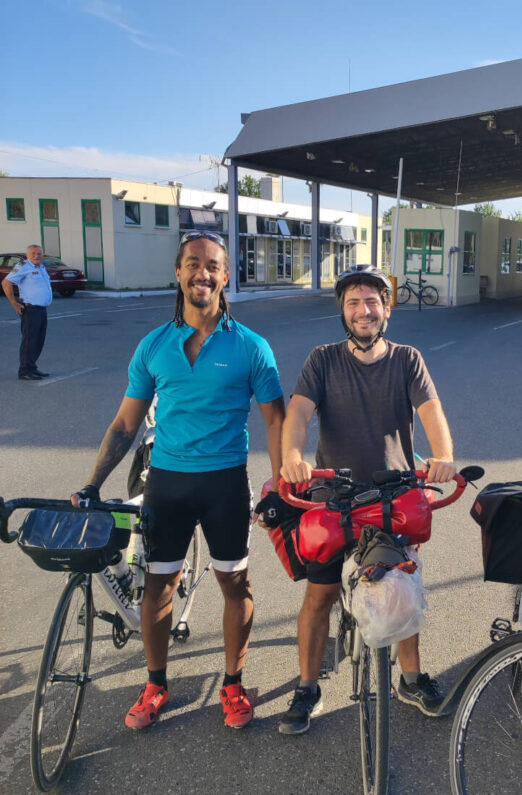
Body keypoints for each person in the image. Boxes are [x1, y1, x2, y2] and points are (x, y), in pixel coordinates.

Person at [71, 231, 285, 730]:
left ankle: (232, 684)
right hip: (166, 482)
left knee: (235, 583)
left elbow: (275, 420)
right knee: (158, 586)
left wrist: (280, 486)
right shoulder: (154, 346)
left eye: (212, 265)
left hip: (224, 484)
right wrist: (92, 482)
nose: (202, 273)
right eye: (193, 263)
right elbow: (126, 423)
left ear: (226, 276)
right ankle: (155, 684)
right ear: (178, 272)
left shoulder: (251, 346)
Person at [279, 264, 457, 735]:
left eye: (372, 301)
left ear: (387, 309)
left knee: (403, 585)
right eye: (354, 302)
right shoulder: (323, 359)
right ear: (343, 310)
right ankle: (307, 687)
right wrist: (292, 455)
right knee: (319, 595)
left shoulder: (407, 359)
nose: (364, 311)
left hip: (392, 494)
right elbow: (298, 411)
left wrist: (444, 455)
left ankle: (411, 679)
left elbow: (431, 410)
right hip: (333, 496)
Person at [3, 244, 52, 380]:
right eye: (33, 253)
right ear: (27, 255)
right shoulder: (23, 267)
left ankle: (32, 367)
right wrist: (14, 303)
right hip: (31, 309)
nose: (37, 256)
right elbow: (6, 283)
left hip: (41, 309)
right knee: (29, 340)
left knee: (38, 340)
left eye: (39, 253)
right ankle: (24, 371)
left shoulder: (41, 267)